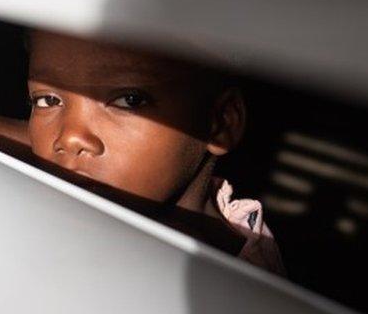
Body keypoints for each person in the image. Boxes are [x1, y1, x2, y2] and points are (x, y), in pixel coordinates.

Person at [25, 30, 284, 274]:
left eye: (130, 100)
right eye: (48, 100)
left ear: (220, 123)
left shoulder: (234, 288)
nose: (69, 138)